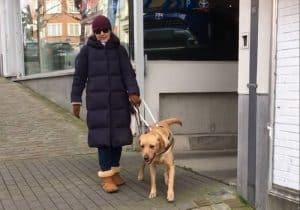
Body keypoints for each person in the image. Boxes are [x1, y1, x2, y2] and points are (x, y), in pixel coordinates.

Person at [71, 15, 140, 193]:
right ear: (93, 33)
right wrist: (76, 100)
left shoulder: (119, 49)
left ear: (110, 30)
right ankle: (107, 176)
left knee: (118, 140)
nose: (101, 34)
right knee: (103, 141)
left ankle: (115, 171)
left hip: (118, 103)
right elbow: (79, 78)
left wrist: (133, 92)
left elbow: (128, 73)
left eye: (104, 30)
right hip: (97, 103)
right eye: (97, 31)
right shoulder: (87, 51)